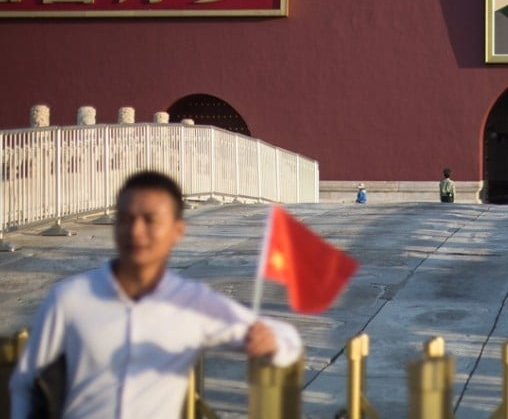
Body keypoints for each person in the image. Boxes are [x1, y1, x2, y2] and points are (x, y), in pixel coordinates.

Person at [8, 170, 302, 419]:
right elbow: (25, 382)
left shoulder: (192, 304)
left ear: (177, 230)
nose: (135, 231)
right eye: (125, 218)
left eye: (150, 220)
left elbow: (286, 338)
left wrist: (271, 342)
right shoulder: (70, 299)